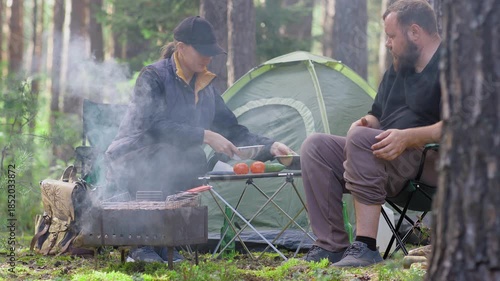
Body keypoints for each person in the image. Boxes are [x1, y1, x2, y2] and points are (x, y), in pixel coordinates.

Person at [105, 16, 294, 263]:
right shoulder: (152, 76)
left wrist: (270, 146)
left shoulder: (204, 86)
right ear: (181, 48)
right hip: (131, 157)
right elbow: (152, 126)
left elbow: (232, 130)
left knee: (191, 158)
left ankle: (166, 244)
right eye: (202, 51)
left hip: (171, 158)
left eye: (211, 52)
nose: (208, 58)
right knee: (166, 155)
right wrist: (204, 135)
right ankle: (142, 246)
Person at [301, 0, 442, 267]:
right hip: (383, 159)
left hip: (430, 164)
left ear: (414, 32)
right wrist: (366, 121)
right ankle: (331, 245)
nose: (388, 43)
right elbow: (378, 113)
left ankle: (365, 247)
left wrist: (408, 137)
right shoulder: (400, 68)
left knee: (361, 141)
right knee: (315, 146)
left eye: (391, 36)